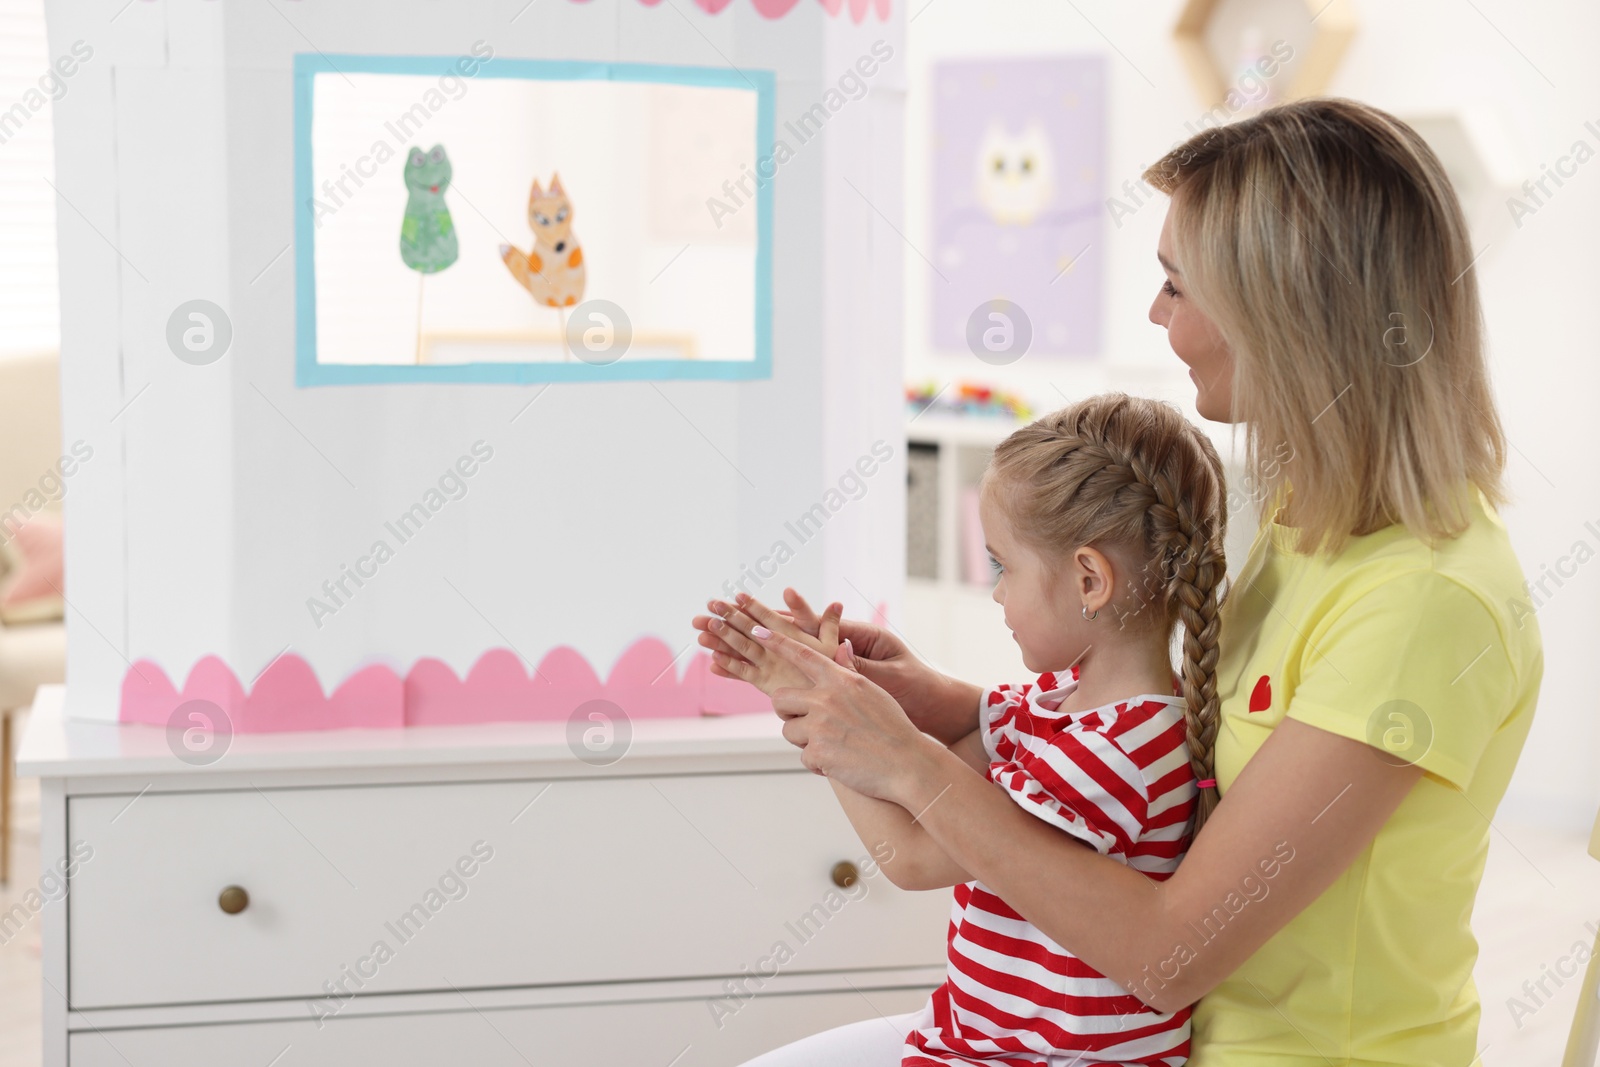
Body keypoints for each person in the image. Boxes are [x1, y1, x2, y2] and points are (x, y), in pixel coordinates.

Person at [694, 97, 1543, 1066]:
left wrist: (895, 754)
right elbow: (1166, 752)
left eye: (1175, 285)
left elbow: (1165, 952)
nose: (1155, 314)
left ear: (1282, 309)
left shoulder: (1422, 604)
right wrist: (936, 703)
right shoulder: (1306, 516)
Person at [702, 394, 1230, 1065]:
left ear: (1090, 579)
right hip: (976, 1043)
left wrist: (812, 697)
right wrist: (839, 680)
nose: (997, 592)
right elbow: (949, 767)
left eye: (1004, 566)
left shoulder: (1112, 755)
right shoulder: (1066, 703)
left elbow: (913, 853)